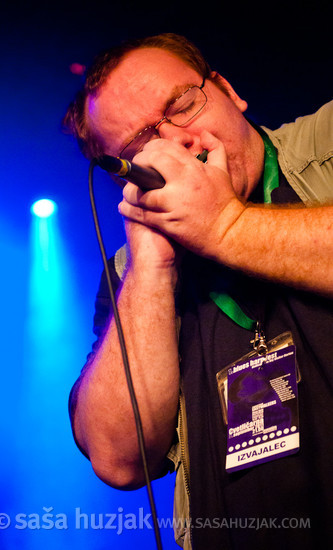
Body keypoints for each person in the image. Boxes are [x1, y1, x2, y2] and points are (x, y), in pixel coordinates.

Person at [64, 33, 333, 549]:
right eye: (142, 145)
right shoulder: (131, 272)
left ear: (228, 91)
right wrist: (152, 266)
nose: (178, 142)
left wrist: (225, 227)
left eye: (183, 105)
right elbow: (118, 458)